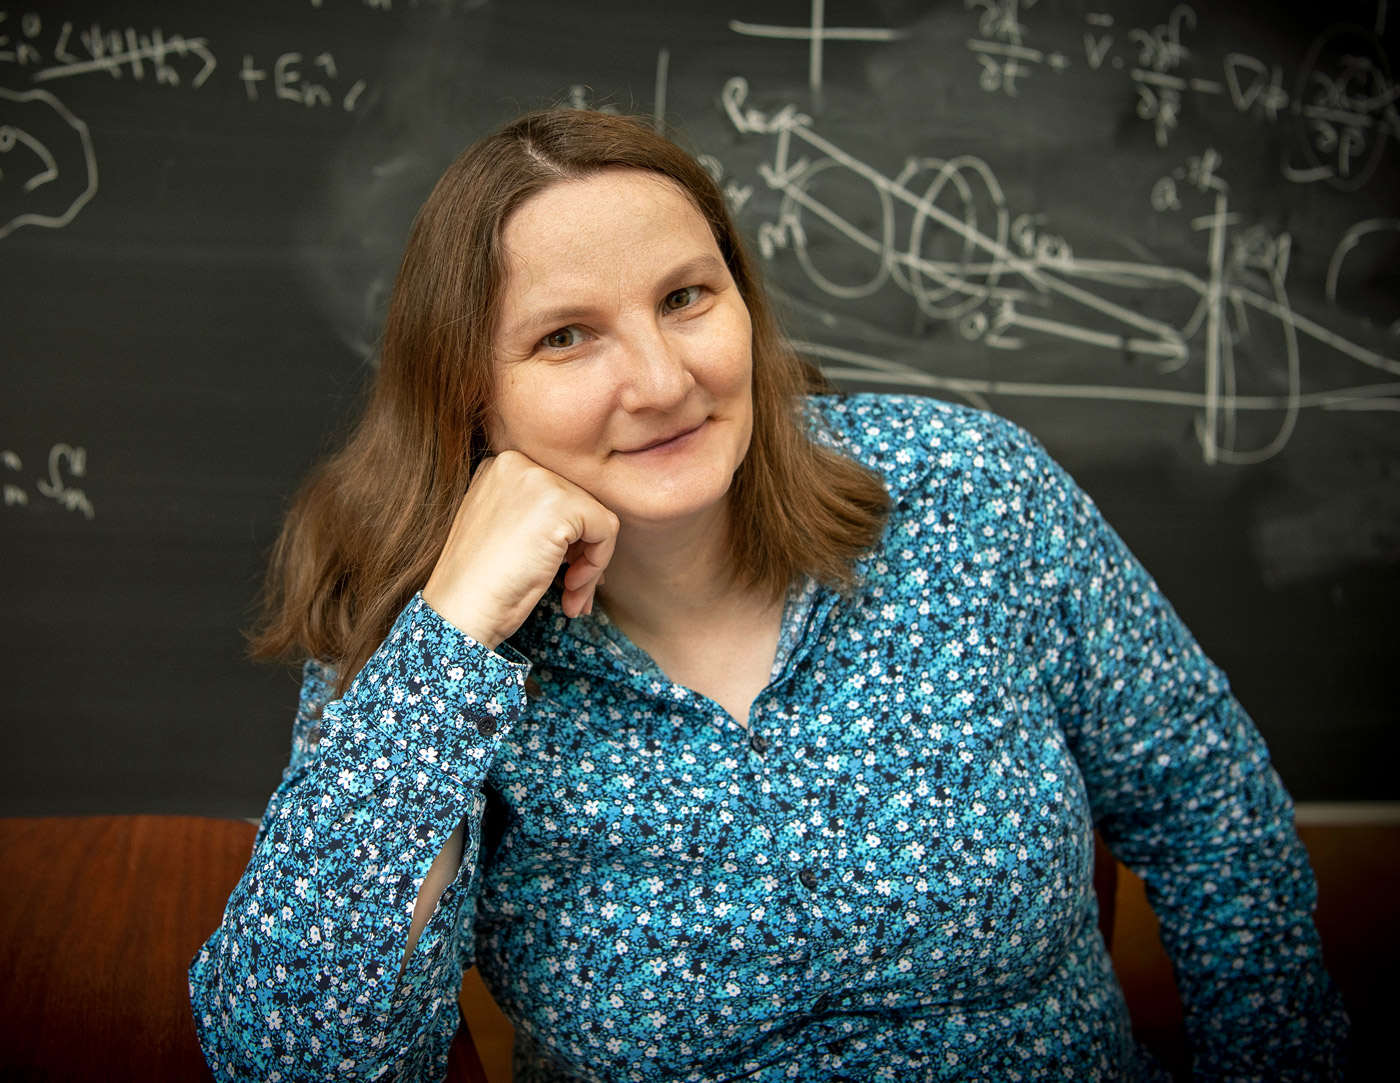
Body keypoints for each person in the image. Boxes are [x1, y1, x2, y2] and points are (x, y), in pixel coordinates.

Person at [189, 109, 1347, 1082]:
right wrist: (451, 643)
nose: (659, 380)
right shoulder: (420, 635)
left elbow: (1204, 800)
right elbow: (287, 1060)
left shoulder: (962, 492)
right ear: (469, 397)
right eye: (563, 336)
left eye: (686, 298)